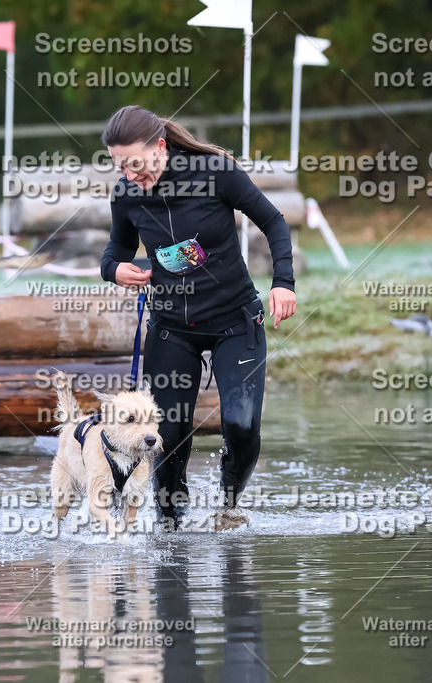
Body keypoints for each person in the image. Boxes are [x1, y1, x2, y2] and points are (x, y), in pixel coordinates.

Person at [99, 105, 297, 528]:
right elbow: (115, 250)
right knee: (165, 436)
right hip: (171, 331)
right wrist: (114, 270)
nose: (130, 175)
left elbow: (273, 221)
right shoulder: (127, 194)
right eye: (121, 167)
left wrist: (284, 282)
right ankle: (171, 524)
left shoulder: (215, 172)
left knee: (240, 424)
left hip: (235, 322)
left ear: (161, 147)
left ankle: (227, 506)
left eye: (136, 164)